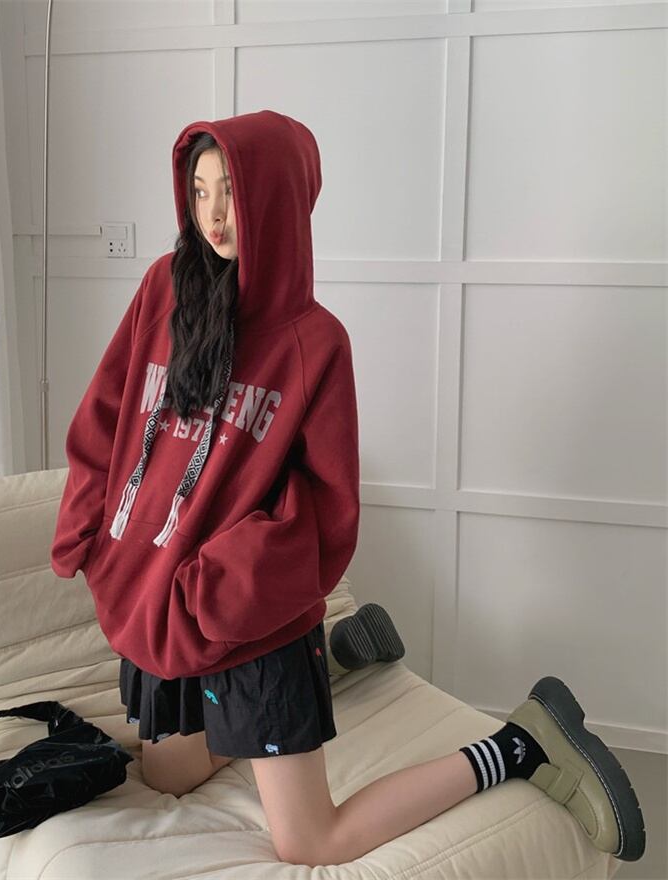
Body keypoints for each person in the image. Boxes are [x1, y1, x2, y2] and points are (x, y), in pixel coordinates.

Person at [51, 110, 645, 868]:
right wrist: (90, 528)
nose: (214, 213)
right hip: (157, 593)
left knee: (310, 840)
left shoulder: (314, 340)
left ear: (276, 198)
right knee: (165, 774)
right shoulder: (163, 289)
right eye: (199, 191)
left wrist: (221, 586)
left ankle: (522, 742)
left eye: (232, 190)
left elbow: (327, 510)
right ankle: (335, 664)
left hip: (243, 612)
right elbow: (107, 409)